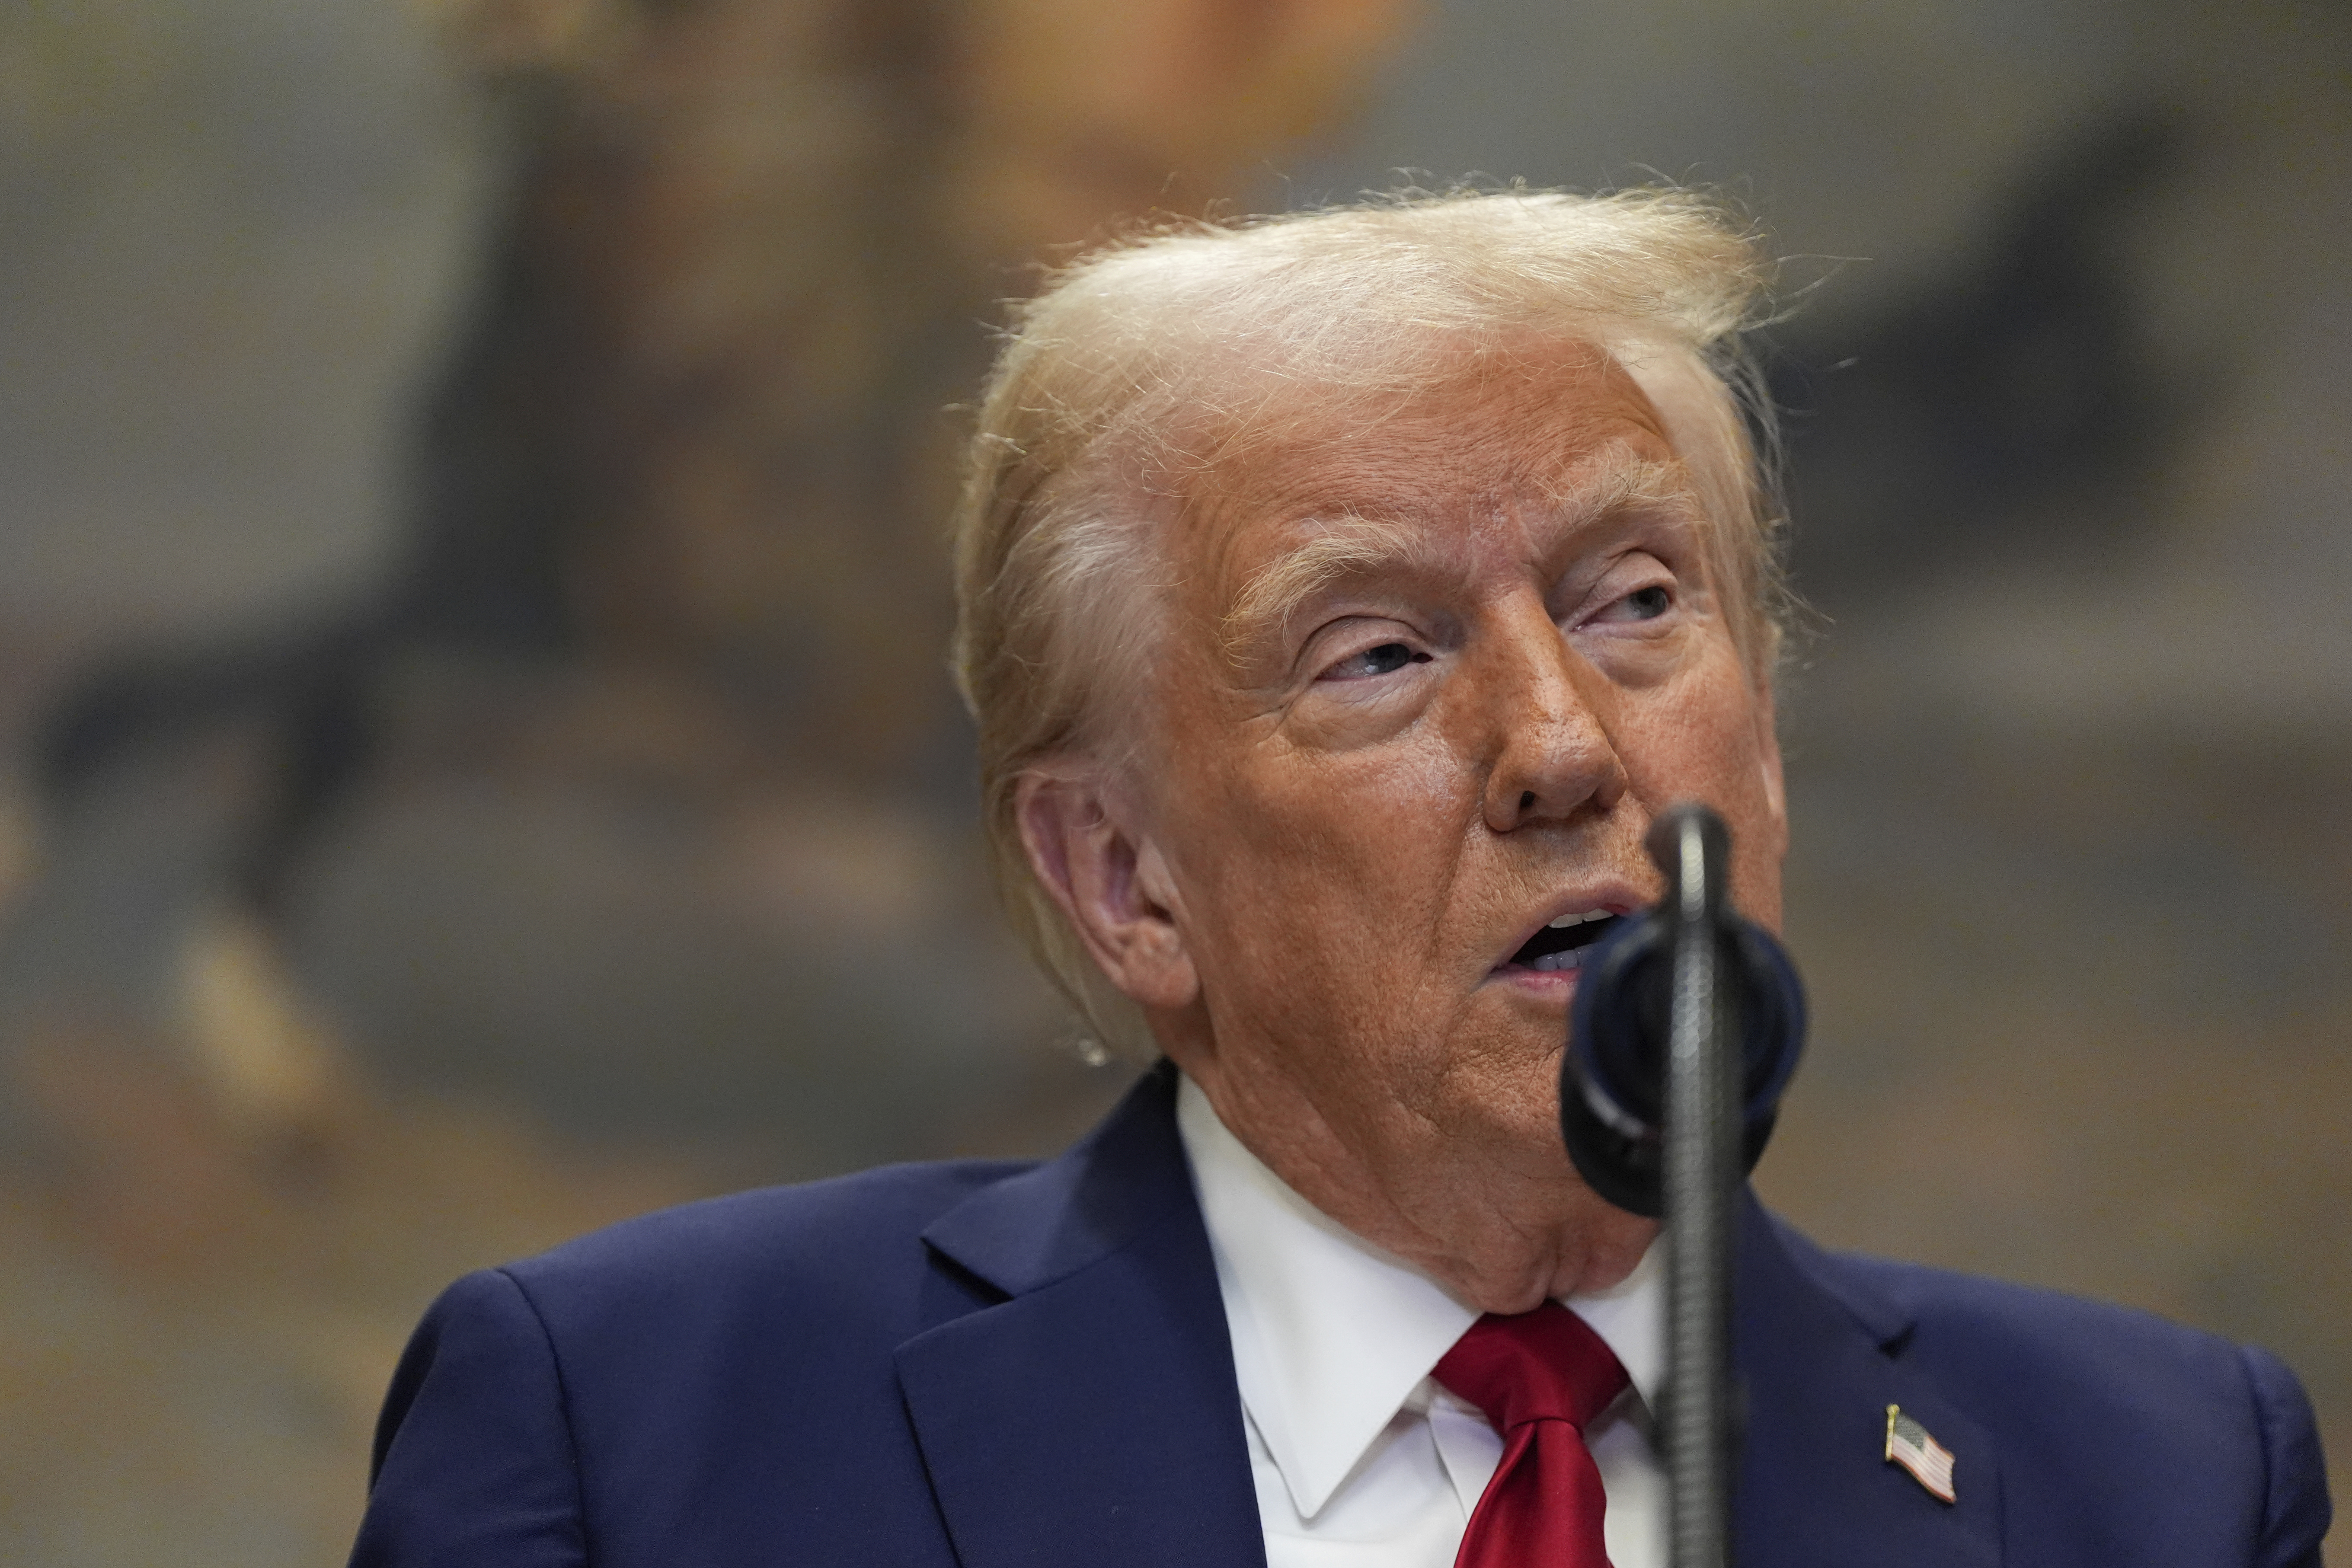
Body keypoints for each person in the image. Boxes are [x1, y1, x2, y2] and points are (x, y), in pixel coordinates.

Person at [347, 190, 2331, 1568]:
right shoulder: (645, 1434)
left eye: (1637, 601)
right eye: (1376, 653)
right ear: (1122, 877)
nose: (1563, 743)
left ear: (1769, 753)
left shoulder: (2150, 1484)